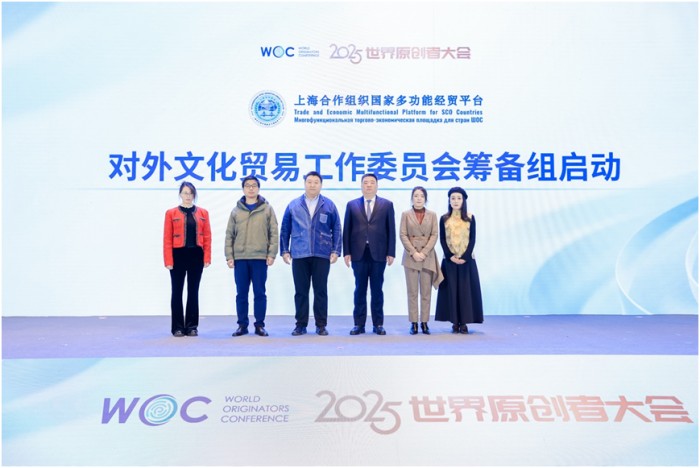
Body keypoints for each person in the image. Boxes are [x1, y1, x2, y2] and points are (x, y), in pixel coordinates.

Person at [280, 171, 342, 336]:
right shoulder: (294, 205)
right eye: (309, 182)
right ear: (304, 184)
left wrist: (336, 250)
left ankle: (321, 325)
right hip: (299, 253)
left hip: (322, 253)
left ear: (321, 185)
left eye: (316, 182)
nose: (312, 185)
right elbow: (285, 229)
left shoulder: (329, 205)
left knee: (320, 290)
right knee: (301, 291)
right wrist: (285, 250)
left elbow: (337, 228)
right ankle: (300, 325)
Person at [225, 175, 278, 337]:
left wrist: (272, 254)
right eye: (247, 185)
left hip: (260, 258)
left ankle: (259, 325)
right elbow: (229, 235)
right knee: (241, 294)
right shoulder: (236, 211)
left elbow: (274, 233)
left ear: (258, 188)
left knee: (259, 293)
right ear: (243, 189)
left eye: (254, 185)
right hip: (240, 258)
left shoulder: (267, 209)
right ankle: (242, 325)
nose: (251, 188)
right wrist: (229, 256)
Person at [343, 173, 396, 335]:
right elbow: (347, 230)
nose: (368, 185)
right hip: (358, 253)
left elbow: (391, 230)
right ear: (361, 186)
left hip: (379, 253)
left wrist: (391, 252)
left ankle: (378, 324)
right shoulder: (352, 205)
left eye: (372, 182)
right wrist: (346, 252)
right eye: (365, 182)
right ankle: (358, 324)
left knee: (377, 290)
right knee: (359, 289)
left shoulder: (387, 205)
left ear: (377, 186)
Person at [163, 181, 212, 337]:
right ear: (180, 194)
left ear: (194, 195)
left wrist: (207, 257)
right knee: (177, 292)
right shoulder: (171, 213)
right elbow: (167, 238)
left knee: (193, 291)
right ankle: (177, 327)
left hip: (196, 255)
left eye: (191, 193)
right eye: (185, 193)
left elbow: (207, 236)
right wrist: (168, 260)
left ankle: (192, 326)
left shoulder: (203, 213)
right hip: (178, 255)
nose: (188, 196)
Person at [435, 187, 484, 334]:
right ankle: (454, 322)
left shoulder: (470, 217)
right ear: (449, 201)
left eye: (459, 198)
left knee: (465, 291)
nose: (456, 201)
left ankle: (464, 322)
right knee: (451, 291)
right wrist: (450, 255)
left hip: (467, 261)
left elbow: (473, 238)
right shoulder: (444, 218)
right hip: (449, 260)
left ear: (463, 200)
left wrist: (465, 257)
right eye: (453, 198)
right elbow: (442, 239)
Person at [399, 186, 443, 335]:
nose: (418, 198)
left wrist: (423, 252)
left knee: (426, 292)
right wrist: (413, 252)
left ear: (425, 199)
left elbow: (434, 235)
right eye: (416, 196)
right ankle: (413, 323)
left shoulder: (432, 215)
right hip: (411, 257)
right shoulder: (405, 214)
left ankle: (424, 322)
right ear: (412, 198)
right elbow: (403, 235)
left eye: (421, 196)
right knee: (412, 292)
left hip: (427, 256)